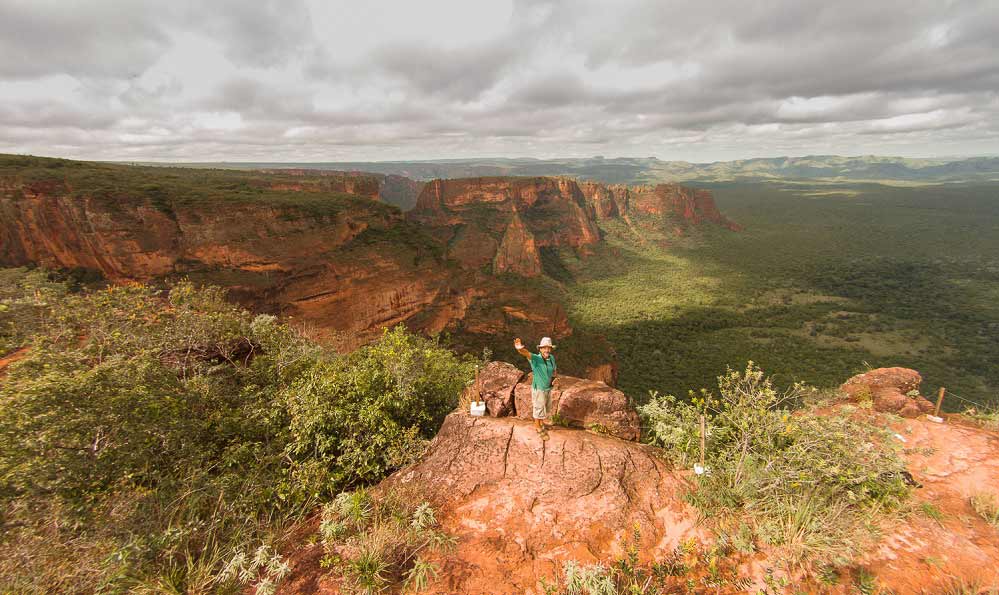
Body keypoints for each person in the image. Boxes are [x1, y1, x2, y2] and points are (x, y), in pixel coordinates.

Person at [514, 336, 557, 439]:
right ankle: (537, 427)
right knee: (538, 407)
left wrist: (555, 378)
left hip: (547, 388)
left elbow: (554, 370)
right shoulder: (536, 359)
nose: (547, 350)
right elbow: (526, 353)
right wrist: (519, 348)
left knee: (545, 407)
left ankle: (541, 423)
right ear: (540, 349)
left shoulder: (551, 358)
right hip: (539, 388)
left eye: (549, 348)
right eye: (544, 348)